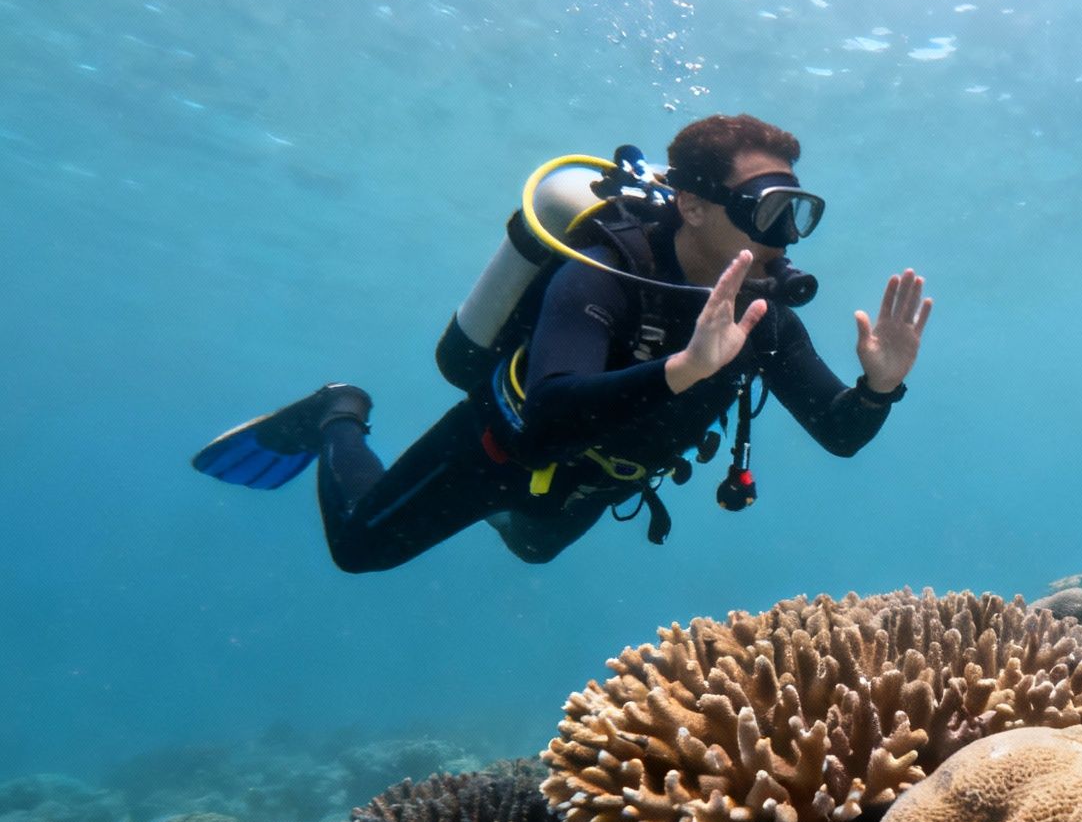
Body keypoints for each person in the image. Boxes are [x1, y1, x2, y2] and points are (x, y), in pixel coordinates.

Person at [194, 114, 931, 571]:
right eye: (771, 212)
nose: (789, 238)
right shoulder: (605, 272)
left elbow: (840, 435)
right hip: (503, 449)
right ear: (696, 208)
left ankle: (505, 517)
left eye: (801, 213)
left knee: (533, 546)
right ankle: (338, 411)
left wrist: (880, 386)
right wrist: (681, 371)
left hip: (601, 481)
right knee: (360, 549)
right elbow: (549, 414)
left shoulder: (763, 315)